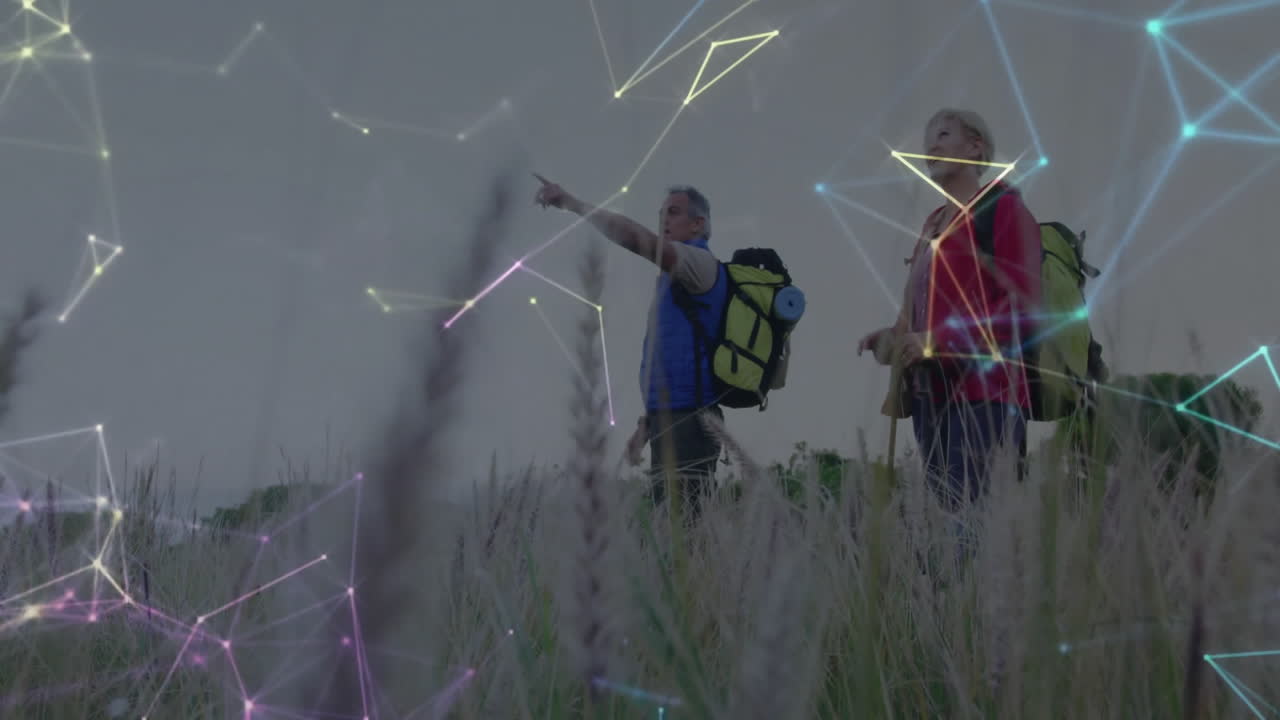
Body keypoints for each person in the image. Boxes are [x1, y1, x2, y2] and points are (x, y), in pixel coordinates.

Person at [857, 109, 1041, 548]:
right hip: (931, 399)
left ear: (976, 147)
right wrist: (893, 335)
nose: (930, 148)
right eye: (926, 141)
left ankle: (989, 615)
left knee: (980, 532)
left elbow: (1025, 310)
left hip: (985, 399)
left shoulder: (1002, 208)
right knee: (950, 528)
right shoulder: (931, 224)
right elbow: (919, 307)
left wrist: (939, 342)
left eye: (942, 135)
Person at [533, 175, 764, 522]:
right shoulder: (675, 280)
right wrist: (648, 425)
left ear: (698, 223)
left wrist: (573, 203)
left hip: (691, 421)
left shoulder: (699, 264)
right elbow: (678, 361)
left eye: (673, 213)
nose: (663, 222)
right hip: (671, 419)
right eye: (661, 215)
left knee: (682, 530)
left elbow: (635, 239)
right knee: (673, 527)